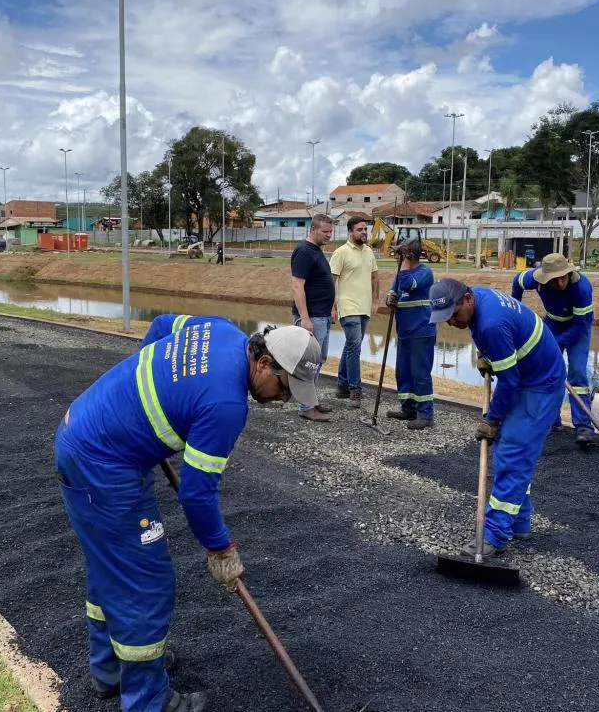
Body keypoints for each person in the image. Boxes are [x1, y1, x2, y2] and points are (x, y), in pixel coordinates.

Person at [54, 318, 322, 711]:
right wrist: (221, 549)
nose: (284, 399)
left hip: (83, 434)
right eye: (284, 387)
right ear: (264, 363)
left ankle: (110, 670)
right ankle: (148, 701)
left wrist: (142, 394)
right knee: (144, 580)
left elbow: (162, 326)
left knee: (111, 566)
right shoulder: (226, 405)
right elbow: (197, 493)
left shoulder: (221, 329)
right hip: (104, 466)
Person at [428, 278, 566, 557]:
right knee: (508, 453)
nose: (451, 322)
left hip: (540, 386)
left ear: (467, 299)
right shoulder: (478, 301)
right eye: (445, 318)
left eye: (454, 314)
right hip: (529, 375)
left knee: (514, 454)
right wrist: (489, 356)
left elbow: (509, 382)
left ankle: (494, 535)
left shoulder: (491, 323)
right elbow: (499, 344)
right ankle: (520, 522)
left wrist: (492, 419)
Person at [511, 253, 595, 445]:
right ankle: (552, 421)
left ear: (568, 273)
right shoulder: (534, 278)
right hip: (552, 323)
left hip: (577, 326)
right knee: (547, 373)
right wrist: (515, 311)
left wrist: (557, 343)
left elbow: (580, 325)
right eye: (553, 280)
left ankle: (583, 426)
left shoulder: (582, 287)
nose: (559, 284)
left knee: (577, 374)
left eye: (562, 278)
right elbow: (517, 282)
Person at [385, 238, 436, 430]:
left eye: (399, 254)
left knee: (420, 374)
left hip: (421, 331)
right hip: (405, 331)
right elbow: (394, 291)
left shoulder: (424, 273)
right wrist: (389, 299)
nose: (396, 258)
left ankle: (425, 414)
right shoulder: (402, 273)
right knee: (403, 372)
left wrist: (405, 262)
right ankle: (408, 408)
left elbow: (406, 285)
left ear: (409, 255)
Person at [290, 213, 336, 422]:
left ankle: (312, 401)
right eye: (325, 232)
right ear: (313, 229)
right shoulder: (304, 252)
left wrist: (331, 308)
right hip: (312, 317)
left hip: (322, 315)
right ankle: (306, 407)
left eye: (330, 232)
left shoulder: (316, 251)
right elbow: (297, 286)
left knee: (318, 360)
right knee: (308, 362)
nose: (329, 235)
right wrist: (305, 319)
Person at [330, 216, 379, 408]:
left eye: (365, 229)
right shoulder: (340, 253)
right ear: (350, 232)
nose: (364, 232)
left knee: (351, 345)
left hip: (364, 307)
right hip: (348, 306)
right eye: (360, 229)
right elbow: (331, 281)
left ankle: (342, 385)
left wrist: (375, 300)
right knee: (355, 346)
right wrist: (332, 306)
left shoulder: (369, 251)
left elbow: (375, 277)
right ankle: (355, 390)